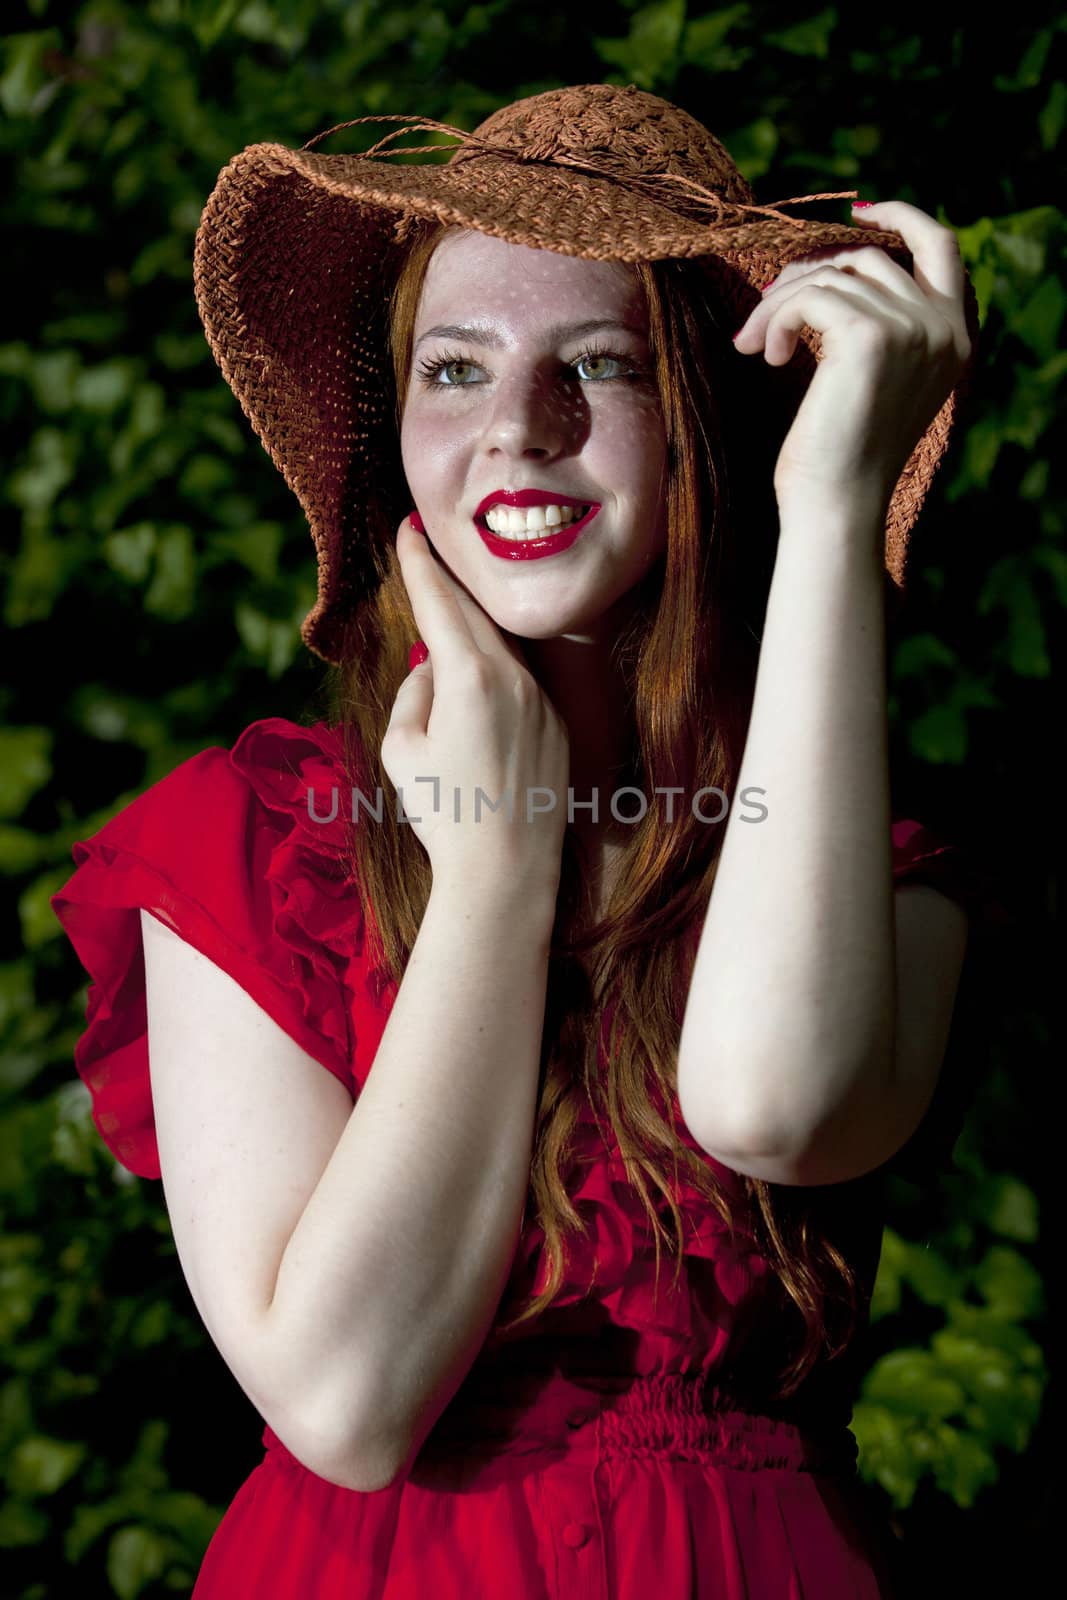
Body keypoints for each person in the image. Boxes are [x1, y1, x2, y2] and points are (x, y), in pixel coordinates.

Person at [51, 83, 1000, 1598]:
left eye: (603, 365)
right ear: (392, 433)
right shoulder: (246, 846)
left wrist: (831, 507)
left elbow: (771, 1109)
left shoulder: (858, 869)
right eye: (455, 367)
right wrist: (494, 868)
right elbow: (350, 1404)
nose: (518, 429)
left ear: (706, 422)